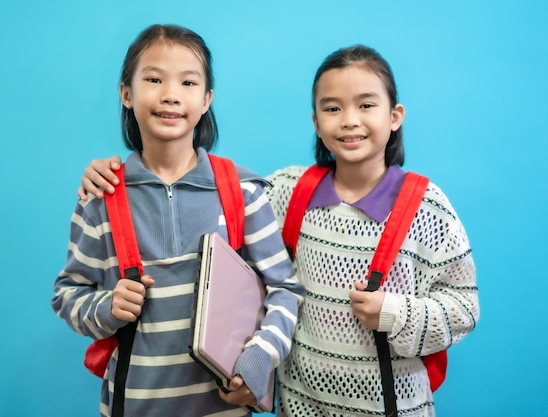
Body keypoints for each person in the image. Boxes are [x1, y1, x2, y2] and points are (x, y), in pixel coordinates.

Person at [78, 44, 479, 417]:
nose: (350, 120)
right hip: (299, 406)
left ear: (395, 116)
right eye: (333, 108)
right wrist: (116, 176)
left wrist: (396, 313)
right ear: (316, 122)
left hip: (393, 407)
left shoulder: (428, 209)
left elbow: (464, 308)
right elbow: (211, 194)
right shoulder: (287, 192)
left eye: (366, 105)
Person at [52, 23, 304, 417]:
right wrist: (107, 307)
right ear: (126, 93)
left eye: (188, 83)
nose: (170, 95)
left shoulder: (244, 192)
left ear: (206, 99)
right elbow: (68, 295)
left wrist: (259, 361)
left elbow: (285, 291)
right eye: (153, 79)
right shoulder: (100, 198)